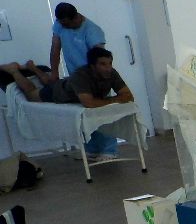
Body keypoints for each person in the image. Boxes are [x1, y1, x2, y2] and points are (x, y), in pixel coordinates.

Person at [2, 47, 134, 161]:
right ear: (92, 66)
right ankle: (14, 70)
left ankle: (32, 67)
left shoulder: (112, 73)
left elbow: (129, 96)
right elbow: (89, 103)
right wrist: (116, 99)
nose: (108, 68)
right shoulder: (81, 75)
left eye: (110, 63)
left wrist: (112, 99)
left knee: (49, 82)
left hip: (67, 86)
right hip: (57, 93)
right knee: (32, 94)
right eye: (103, 64)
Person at [49, 2, 106, 80]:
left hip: (92, 77)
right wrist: (54, 73)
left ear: (75, 18)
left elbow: (101, 59)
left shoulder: (93, 32)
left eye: (66, 24)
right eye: (61, 23)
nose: (62, 26)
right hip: (75, 77)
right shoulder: (60, 23)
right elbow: (55, 49)